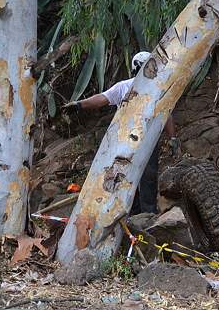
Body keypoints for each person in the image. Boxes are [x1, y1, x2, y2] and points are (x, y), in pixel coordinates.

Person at [63, 51, 177, 214]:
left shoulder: (157, 89)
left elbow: (166, 114)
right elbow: (101, 99)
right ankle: (136, 214)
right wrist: (79, 104)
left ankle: (146, 215)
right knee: (133, 178)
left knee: (144, 177)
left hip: (144, 141)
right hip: (127, 142)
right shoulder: (126, 87)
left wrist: (79, 104)